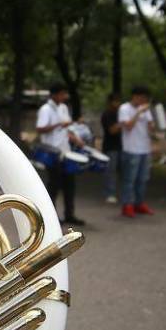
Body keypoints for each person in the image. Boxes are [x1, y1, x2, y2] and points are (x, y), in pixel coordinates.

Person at [34, 83, 87, 226]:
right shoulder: (46, 109)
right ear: (54, 94)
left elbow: (67, 128)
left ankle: (70, 214)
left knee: (70, 184)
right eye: (62, 94)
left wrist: (76, 139)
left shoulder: (63, 108)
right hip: (52, 151)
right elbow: (40, 128)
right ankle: (51, 216)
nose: (65, 97)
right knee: (54, 185)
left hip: (65, 151)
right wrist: (59, 125)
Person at [118, 85, 156, 218]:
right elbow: (127, 126)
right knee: (130, 179)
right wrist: (139, 112)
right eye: (143, 98)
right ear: (136, 97)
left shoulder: (146, 110)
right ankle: (127, 205)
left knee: (143, 179)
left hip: (145, 148)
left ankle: (139, 203)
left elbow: (151, 128)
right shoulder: (124, 108)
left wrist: (152, 124)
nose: (144, 101)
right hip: (131, 149)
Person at [99, 92, 122, 204]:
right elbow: (112, 130)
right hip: (110, 146)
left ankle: (117, 193)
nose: (118, 103)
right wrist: (122, 124)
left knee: (118, 171)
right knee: (110, 171)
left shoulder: (119, 113)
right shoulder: (107, 114)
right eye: (116, 101)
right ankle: (109, 193)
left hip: (121, 146)